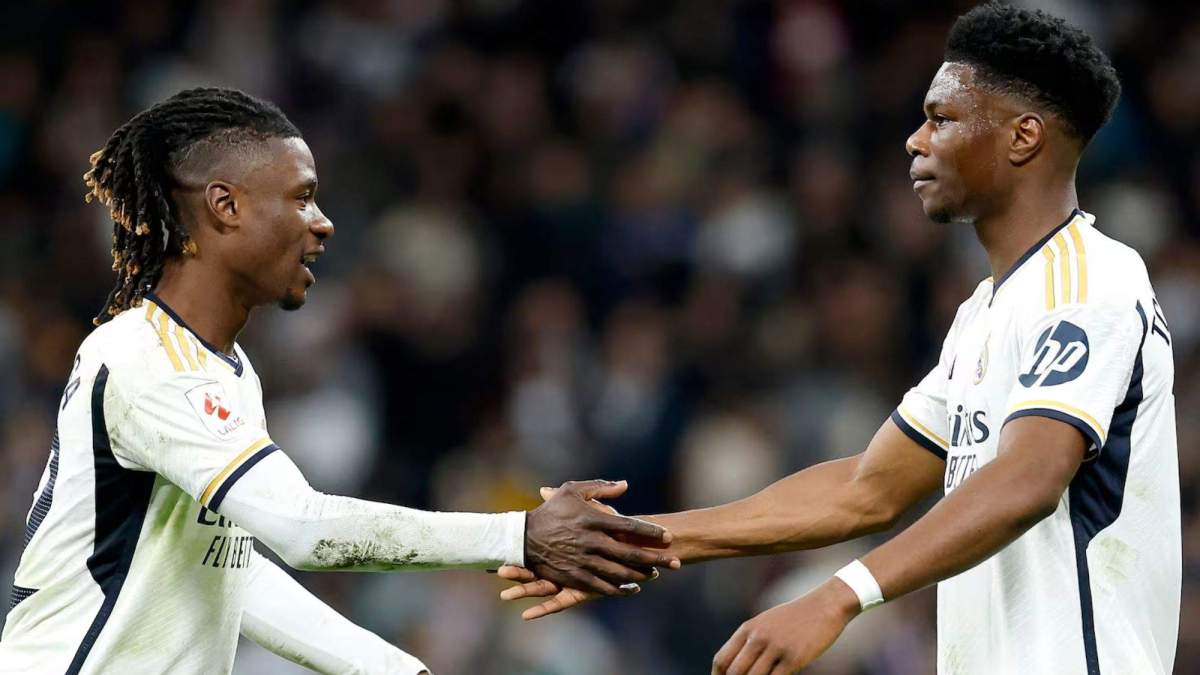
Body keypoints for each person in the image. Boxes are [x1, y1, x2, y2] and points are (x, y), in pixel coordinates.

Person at [498, 4, 1180, 674]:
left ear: (1023, 137)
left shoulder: (1090, 280)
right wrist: (633, 541)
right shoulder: (988, 310)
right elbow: (863, 489)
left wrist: (838, 595)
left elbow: (1028, 479)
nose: (915, 140)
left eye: (941, 118)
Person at [0, 88, 679, 675]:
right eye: (301, 198)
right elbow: (303, 530)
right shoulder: (147, 358)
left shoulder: (224, 370)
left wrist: (390, 666)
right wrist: (517, 534)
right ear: (225, 206)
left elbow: (224, 568)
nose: (322, 223)